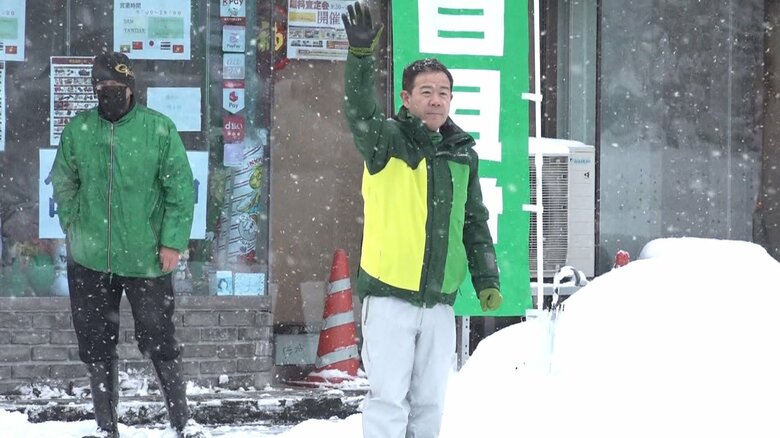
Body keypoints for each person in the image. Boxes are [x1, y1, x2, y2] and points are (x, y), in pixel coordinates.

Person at [341, 3, 504, 437]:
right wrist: (360, 59)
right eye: (426, 91)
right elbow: (360, 111)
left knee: (430, 402)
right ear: (406, 98)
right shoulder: (385, 141)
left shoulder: (462, 154)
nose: (436, 99)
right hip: (389, 297)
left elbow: (473, 222)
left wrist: (486, 279)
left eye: (443, 92)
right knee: (388, 400)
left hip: (439, 303)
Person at [50, 52, 206, 438]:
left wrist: (172, 243)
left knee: (159, 339)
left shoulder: (158, 130)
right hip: (89, 258)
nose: (108, 93)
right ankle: (106, 426)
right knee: (95, 342)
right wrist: (73, 224)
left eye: (115, 87)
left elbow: (180, 191)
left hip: (146, 258)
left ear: (131, 88)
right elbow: (64, 180)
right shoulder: (79, 130)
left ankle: (181, 421)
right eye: (101, 87)